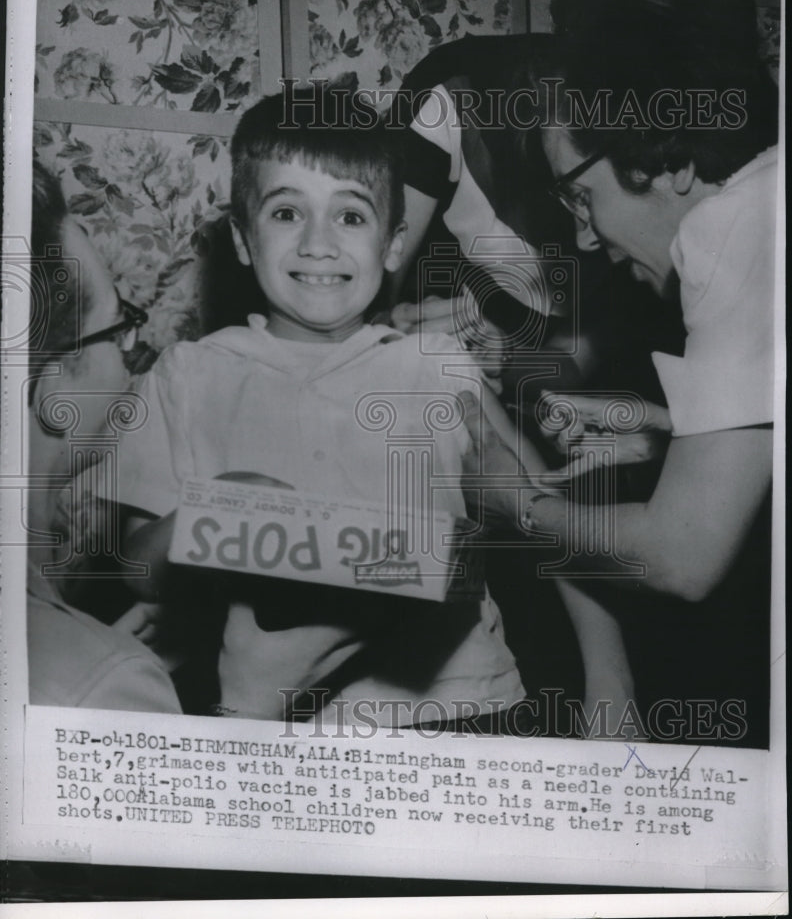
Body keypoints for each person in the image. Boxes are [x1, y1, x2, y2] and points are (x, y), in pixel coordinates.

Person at [113, 86, 631, 728]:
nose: (319, 244)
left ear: (392, 243)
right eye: (285, 213)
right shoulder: (190, 376)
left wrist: (612, 690)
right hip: (282, 722)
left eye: (351, 216)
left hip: (465, 710)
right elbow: (139, 569)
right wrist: (213, 507)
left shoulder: (434, 365)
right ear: (243, 238)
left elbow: (548, 518)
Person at [464, 0, 778, 747]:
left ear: (666, 159)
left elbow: (681, 558)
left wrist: (514, 504)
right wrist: (661, 431)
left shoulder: (730, 232)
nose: (579, 239)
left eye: (580, 196)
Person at [25, 162, 182, 710]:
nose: (128, 360)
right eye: (117, 329)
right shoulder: (104, 684)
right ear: (55, 397)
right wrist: (254, 695)